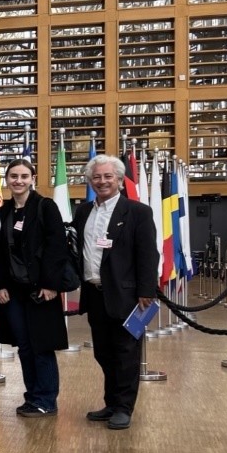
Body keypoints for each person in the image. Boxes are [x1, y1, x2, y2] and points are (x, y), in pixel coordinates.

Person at [77, 155, 158, 430]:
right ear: (90, 181)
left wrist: (147, 290)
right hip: (94, 294)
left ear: (120, 180)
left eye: (108, 176)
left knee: (126, 352)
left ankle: (124, 408)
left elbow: (148, 254)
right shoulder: (83, 212)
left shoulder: (138, 212)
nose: (102, 181)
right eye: (97, 177)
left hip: (129, 296)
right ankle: (111, 403)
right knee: (103, 352)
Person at [0, 158, 68, 418]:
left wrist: (50, 284)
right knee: (24, 345)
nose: (18, 181)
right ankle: (32, 397)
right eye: (14, 176)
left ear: (32, 178)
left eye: (24, 176)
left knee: (41, 345)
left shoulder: (46, 207)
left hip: (40, 290)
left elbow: (57, 248)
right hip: (13, 292)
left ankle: (46, 399)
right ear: (7, 180)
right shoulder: (3, 211)